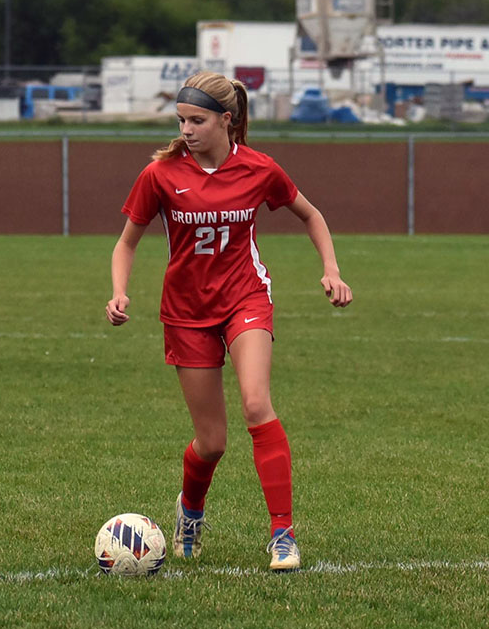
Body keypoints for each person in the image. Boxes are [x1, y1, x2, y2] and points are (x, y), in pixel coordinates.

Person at [105, 71, 352, 571]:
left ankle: (283, 534)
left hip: (246, 299)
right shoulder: (160, 174)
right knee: (212, 442)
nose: (187, 129)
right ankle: (190, 510)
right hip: (186, 313)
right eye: (181, 120)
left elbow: (311, 214)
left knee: (258, 404)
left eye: (197, 120)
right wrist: (119, 292)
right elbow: (127, 241)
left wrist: (331, 268)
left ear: (226, 119)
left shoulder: (260, 168)